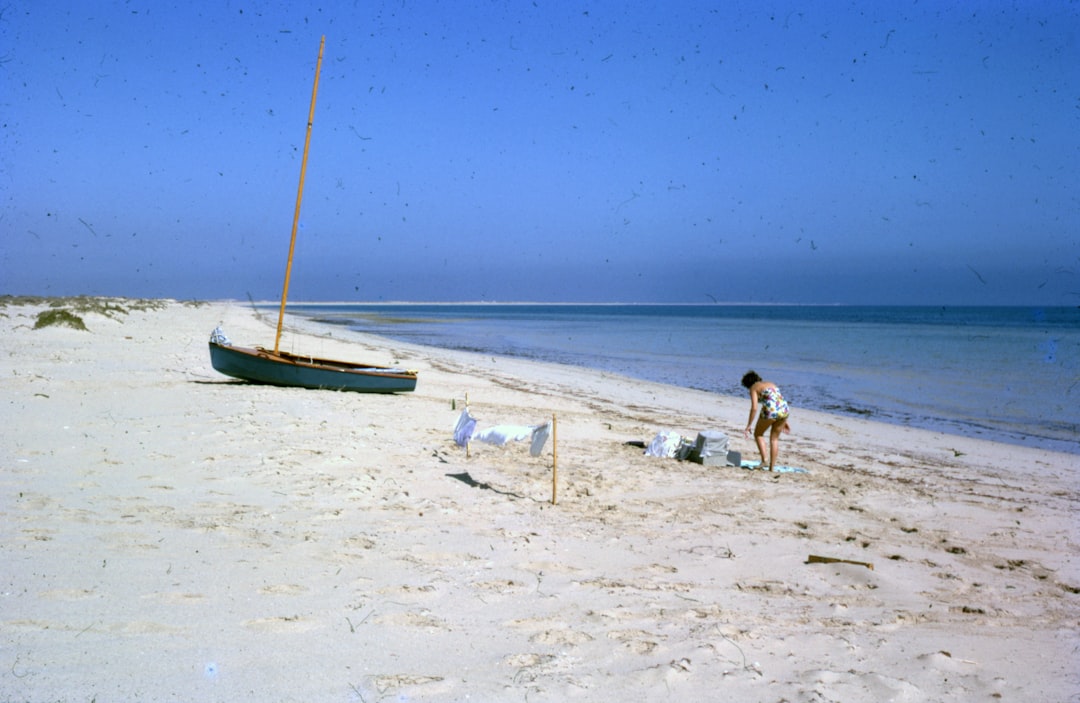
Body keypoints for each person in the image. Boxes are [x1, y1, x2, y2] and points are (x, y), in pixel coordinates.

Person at [741, 370, 790, 471]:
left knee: (758, 434)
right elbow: (778, 401)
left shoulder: (753, 388)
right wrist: (784, 421)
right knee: (774, 439)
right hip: (784, 410)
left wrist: (749, 425)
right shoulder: (771, 384)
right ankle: (772, 468)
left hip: (771, 411)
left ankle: (764, 461)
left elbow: (754, 408)